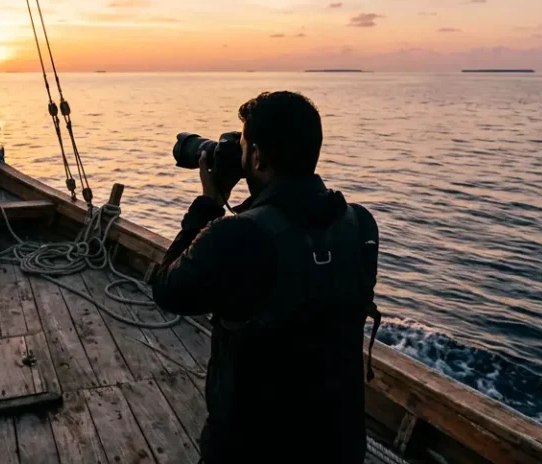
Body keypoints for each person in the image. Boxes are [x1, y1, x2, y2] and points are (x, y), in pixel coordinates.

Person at [150, 91, 381, 464]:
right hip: (339, 443)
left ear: (255, 157)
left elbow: (166, 289)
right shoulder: (360, 223)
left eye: (243, 146)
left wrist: (210, 204)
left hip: (251, 448)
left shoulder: (236, 236)